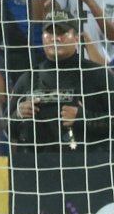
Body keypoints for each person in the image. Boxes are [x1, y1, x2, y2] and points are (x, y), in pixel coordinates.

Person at [9, 10, 113, 152]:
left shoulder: (97, 75)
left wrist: (84, 118)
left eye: (61, 32)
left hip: (89, 163)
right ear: (42, 37)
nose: (55, 38)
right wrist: (17, 115)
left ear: (76, 38)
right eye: (49, 32)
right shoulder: (28, 79)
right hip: (37, 163)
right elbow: (6, 127)